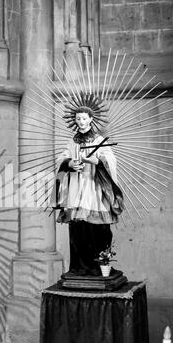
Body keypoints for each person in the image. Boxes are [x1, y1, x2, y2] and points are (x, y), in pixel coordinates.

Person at [50, 93, 124, 277]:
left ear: (91, 119)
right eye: (78, 119)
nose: (81, 122)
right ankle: (79, 267)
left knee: (98, 229)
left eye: (84, 118)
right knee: (78, 228)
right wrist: (69, 163)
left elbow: (110, 161)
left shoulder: (99, 141)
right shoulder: (72, 141)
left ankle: (100, 265)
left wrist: (94, 160)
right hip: (76, 190)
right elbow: (61, 159)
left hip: (95, 190)